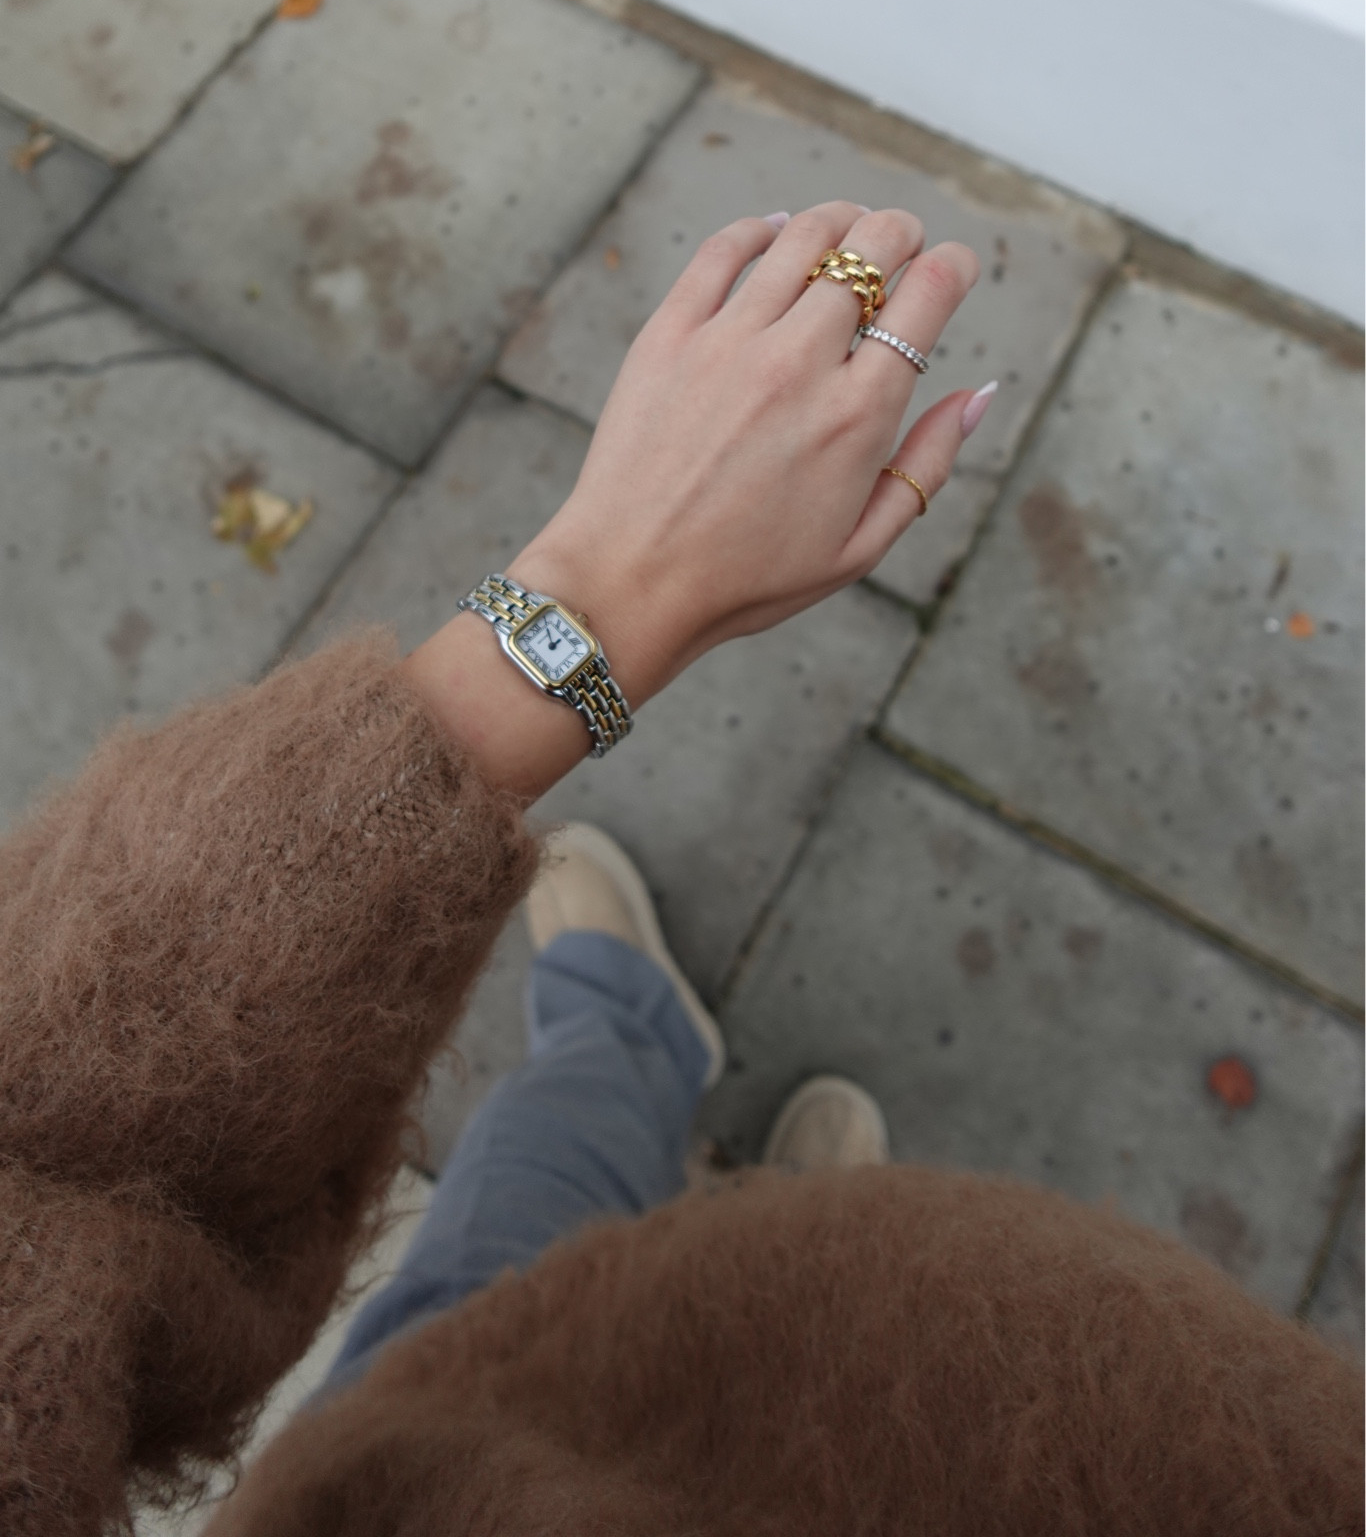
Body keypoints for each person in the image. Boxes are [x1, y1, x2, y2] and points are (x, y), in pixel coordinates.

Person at [0, 203, 1355, 1537]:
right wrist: (591, 589)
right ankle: (793, 1196)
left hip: (424, 1462)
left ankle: (636, 1037)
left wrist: (605, 588)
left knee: (518, 1212)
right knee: (734, 1276)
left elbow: (46, 1203)